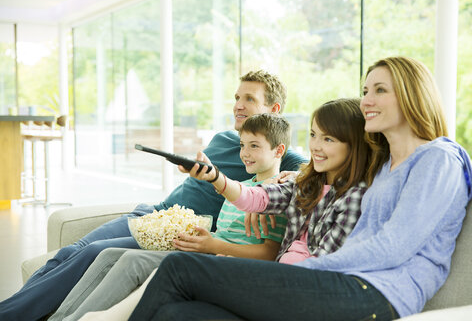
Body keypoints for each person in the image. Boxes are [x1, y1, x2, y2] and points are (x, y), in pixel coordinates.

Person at [128, 56, 472, 321]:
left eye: (380, 90)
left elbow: (393, 247)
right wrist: (291, 177)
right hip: (339, 282)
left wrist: (302, 270)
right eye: (366, 90)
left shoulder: (438, 158)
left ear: (412, 94)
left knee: (180, 268)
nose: (367, 99)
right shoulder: (383, 166)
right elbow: (327, 177)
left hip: (374, 293)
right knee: (178, 315)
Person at [0, 71, 307, 321]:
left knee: (96, 252)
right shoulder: (225, 138)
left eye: (249, 99)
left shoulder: (279, 156)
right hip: (153, 213)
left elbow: (313, 174)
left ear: (273, 110)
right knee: (73, 251)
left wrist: (292, 177)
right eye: (237, 97)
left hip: (176, 232)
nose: (238, 105)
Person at [55, 97, 371, 321]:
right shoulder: (303, 182)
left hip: (290, 286)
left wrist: (221, 255)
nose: (316, 145)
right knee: (172, 311)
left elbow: (321, 265)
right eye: (314, 135)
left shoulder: (353, 197)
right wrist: (216, 177)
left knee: (177, 268)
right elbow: (254, 198)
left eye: (328, 139)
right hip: (267, 274)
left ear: (353, 144)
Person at [49, 113, 291, 321]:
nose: (245, 153)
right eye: (242, 145)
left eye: (254, 146)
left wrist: (213, 244)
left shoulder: (276, 196)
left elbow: (269, 253)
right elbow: (225, 221)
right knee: (109, 254)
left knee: (133, 262)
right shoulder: (240, 188)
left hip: (225, 264)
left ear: (279, 150)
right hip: (204, 252)